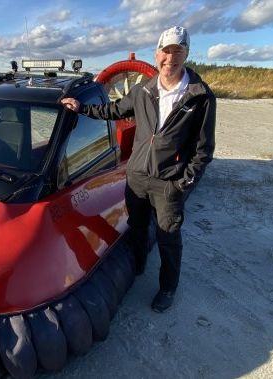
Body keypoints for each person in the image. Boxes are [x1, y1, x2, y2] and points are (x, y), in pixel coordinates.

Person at [61, 26, 216, 313]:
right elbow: (113, 110)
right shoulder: (143, 90)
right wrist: (81, 108)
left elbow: (204, 150)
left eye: (177, 51)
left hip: (169, 182)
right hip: (137, 178)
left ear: (186, 54)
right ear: (157, 54)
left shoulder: (200, 96)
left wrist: (183, 184)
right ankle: (139, 267)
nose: (171, 58)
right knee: (136, 227)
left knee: (169, 237)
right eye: (166, 51)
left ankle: (168, 288)